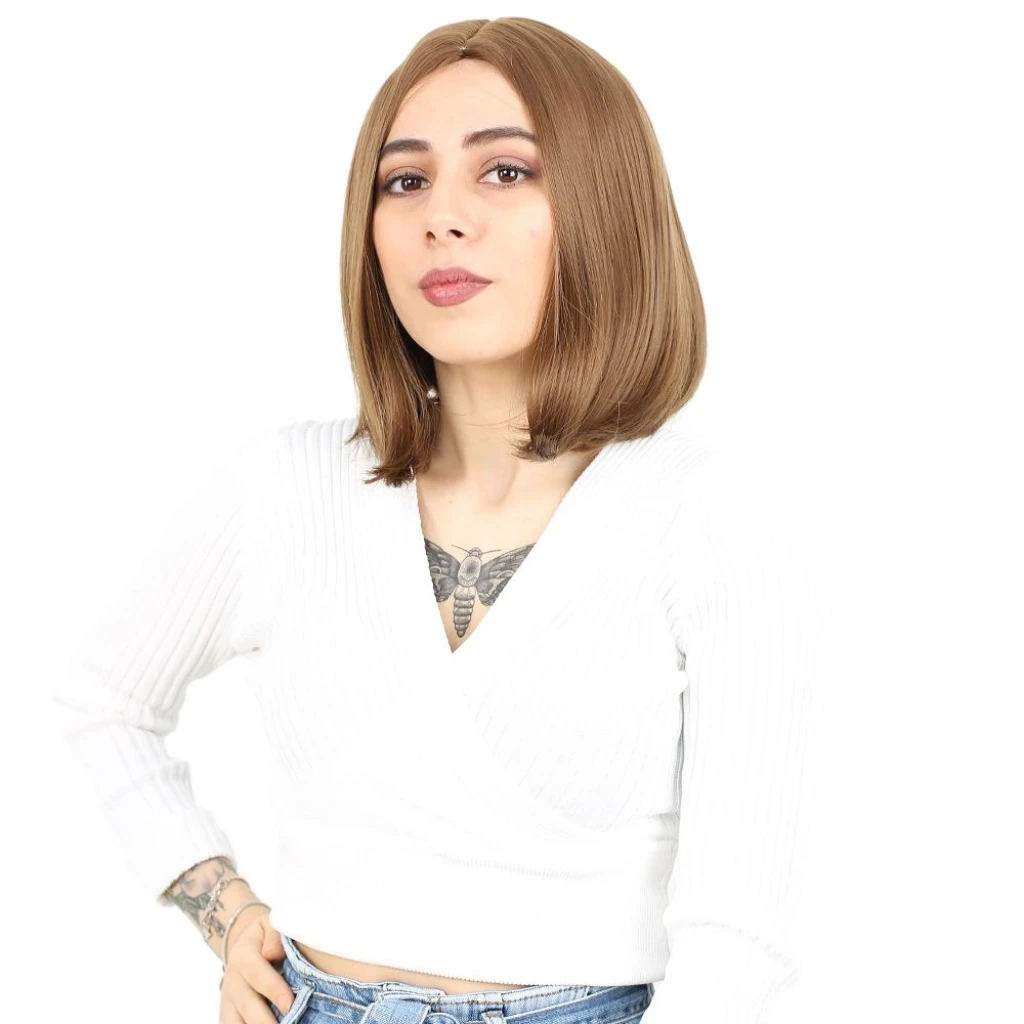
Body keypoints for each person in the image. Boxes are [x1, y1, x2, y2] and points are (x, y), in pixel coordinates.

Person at [51, 16, 825, 1024]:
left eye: (505, 171)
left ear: (605, 204)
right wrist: (226, 912)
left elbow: (740, 934)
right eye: (405, 180)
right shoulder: (285, 486)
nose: (442, 218)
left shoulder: (703, 512)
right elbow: (105, 702)